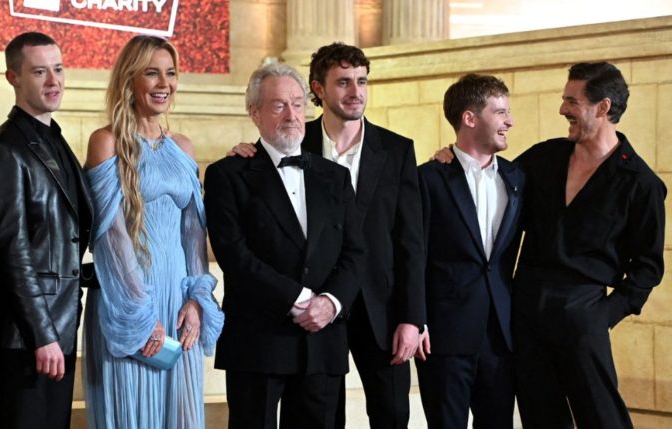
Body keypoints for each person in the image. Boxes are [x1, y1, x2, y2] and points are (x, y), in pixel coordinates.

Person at [433, 62, 666, 428]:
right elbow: (490, 178)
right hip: (525, 314)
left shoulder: (641, 184)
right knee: (541, 419)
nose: (562, 109)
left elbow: (648, 266)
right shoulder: (543, 159)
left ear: (603, 108)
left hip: (583, 312)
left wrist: (601, 316)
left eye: (571, 101)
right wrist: (451, 158)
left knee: (604, 418)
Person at [228, 43, 426, 428]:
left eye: (362, 81)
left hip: (377, 308)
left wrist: (413, 317)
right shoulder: (293, 138)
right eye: (344, 83)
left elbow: (411, 241)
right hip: (313, 309)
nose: (356, 92)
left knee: (392, 413)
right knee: (323, 416)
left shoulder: (398, 150)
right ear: (317, 89)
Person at [205, 62, 365, 429]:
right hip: (258, 340)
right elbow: (234, 255)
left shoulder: (335, 177)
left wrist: (330, 303)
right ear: (255, 112)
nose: (292, 115)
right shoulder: (227, 174)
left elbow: (356, 252)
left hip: (323, 338)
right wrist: (300, 299)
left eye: (297, 103)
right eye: (278, 105)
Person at [82, 35, 224, 429]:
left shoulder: (183, 147)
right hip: (130, 303)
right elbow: (110, 237)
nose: (164, 83)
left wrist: (197, 297)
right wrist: (140, 312)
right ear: (130, 80)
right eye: (152, 73)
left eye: (171, 73)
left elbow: (194, 233)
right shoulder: (106, 142)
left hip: (178, 303)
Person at [0, 32, 93, 429]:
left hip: (60, 324)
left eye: (58, 69)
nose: (53, 81)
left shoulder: (55, 141)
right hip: (27, 337)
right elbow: (13, 250)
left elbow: (58, 242)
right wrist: (42, 335)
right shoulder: (3, 150)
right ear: (13, 78)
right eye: (39, 71)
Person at [416, 74, 523, 429]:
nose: (509, 121)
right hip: (444, 337)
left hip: (501, 336)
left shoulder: (518, 179)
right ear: (470, 118)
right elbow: (411, 257)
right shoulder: (427, 179)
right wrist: (417, 320)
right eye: (500, 111)